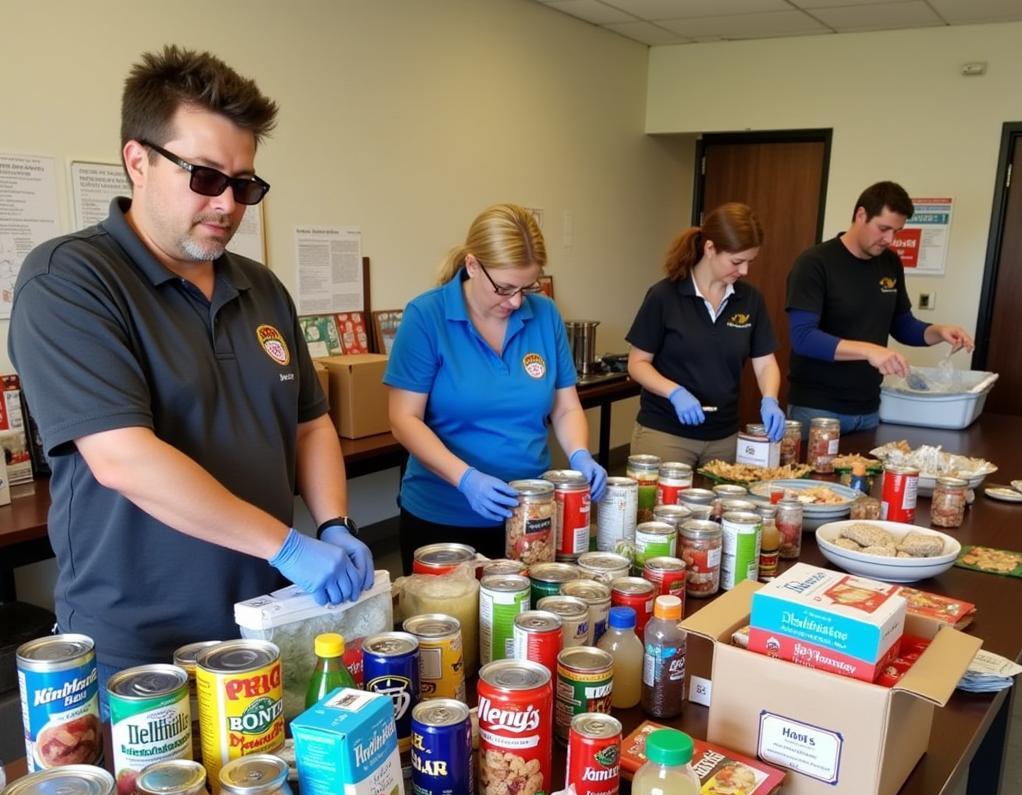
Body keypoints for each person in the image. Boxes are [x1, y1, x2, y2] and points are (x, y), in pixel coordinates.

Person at [9, 45, 374, 686]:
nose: (228, 204)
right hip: (140, 645)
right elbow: (124, 458)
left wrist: (334, 524)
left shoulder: (261, 288)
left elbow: (310, 423)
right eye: (205, 177)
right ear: (138, 161)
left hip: (267, 616)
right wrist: (289, 545)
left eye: (245, 185)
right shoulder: (69, 280)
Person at [385, 203, 607, 572]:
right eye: (504, 288)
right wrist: (465, 479)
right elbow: (404, 420)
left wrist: (580, 454)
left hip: (529, 514)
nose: (517, 301)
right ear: (472, 265)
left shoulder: (545, 314)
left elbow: (565, 407)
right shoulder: (427, 317)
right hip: (444, 518)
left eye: (527, 287)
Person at [786, 180, 974, 435]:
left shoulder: (890, 263)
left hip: (869, 409)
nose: (890, 239)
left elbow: (903, 325)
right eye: (883, 228)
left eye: (897, 231)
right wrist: (870, 351)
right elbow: (803, 338)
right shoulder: (815, 263)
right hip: (818, 409)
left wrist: (939, 331)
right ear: (861, 215)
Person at [626, 202, 784, 467]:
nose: (744, 271)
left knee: (719, 510)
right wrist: (674, 392)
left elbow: (765, 362)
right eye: (737, 261)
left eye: (750, 262)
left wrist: (770, 399)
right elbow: (637, 364)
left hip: (724, 438)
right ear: (710, 248)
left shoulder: (750, 300)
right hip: (667, 434)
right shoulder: (665, 296)